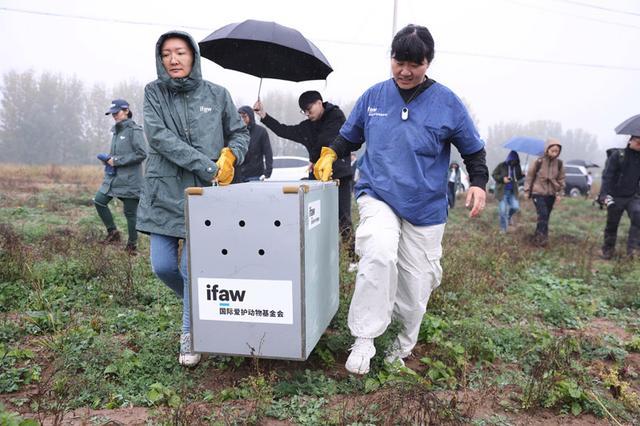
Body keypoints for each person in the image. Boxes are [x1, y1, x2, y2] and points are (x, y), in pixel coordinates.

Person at [313, 24, 488, 375]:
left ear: (428, 62)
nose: (405, 71)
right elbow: (349, 138)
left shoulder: (448, 103)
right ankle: (364, 337)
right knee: (377, 251)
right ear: (391, 59)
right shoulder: (374, 97)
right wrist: (330, 154)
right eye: (399, 61)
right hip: (378, 193)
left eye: (415, 63)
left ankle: (401, 343)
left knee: (416, 281)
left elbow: (474, 151)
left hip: (426, 206)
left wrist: (479, 183)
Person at [137, 31, 249, 366]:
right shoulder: (153, 93)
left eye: (181, 53)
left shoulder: (217, 94)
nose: (173, 59)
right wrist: (206, 164)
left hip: (205, 196)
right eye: (167, 54)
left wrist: (231, 156)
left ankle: (191, 334)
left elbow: (239, 132)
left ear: (193, 56)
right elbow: (158, 137)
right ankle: (200, 306)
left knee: (192, 268)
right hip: (164, 191)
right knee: (164, 266)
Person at [253, 91, 355, 256]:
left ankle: (351, 257)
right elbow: (283, 131)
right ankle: (320, 255)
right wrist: (263, 115)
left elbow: (327, 139)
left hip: (339, 176)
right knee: (316, 219)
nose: (308, 114)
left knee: (343, 218)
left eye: (309, 109)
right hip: (317, 180)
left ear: (319, 102)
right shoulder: (307, 126)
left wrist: (314, 158)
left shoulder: (335, 115)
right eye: (304, 111)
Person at [93, 99, 147, 254]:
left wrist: (116, 161)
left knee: (130, 214)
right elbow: (119, 154)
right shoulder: (116, 131)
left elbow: (142, 154)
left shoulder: (135, 131)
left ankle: (132, 246)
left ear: (126, 110)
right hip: (113, 178)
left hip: (130, 180)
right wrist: (108, 159)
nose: (114, 116)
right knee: (99, 201)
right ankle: (113, 233)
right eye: (112, 114)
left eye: (116, 113)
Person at [597, 135, 640, 259]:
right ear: (630, 141)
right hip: (615, 195)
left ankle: (633, 252)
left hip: (633, 196)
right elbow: (607, 176)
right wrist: (603, 194)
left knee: (638, 217)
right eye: (638, 142)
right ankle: (608, 250)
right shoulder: (618, 155)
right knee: (612, 224)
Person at [524, 138, 565, 246]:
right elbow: (530, 176)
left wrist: (559, 193)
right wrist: (527, 191)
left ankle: (538, 237)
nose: (555, 153)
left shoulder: (559, 164)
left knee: (545, 217)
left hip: (551, 194)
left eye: (557, 151)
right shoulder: (539, 161)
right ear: (547, 150)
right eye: (553, 150)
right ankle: (542, 239)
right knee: (543, 214)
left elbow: (561, 179)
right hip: (538, 192)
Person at [237, 106, 273, 181]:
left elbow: (268, 153)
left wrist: (268, 172)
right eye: (239, 117)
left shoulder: (261, 132)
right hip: (238, 176)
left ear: (250, 116)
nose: (242, 120)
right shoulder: (235, 132)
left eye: (244, 117)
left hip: (255, 175)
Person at [492, 150, 523, 233]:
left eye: (515, 160)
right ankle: (503, 229)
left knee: (515, 207)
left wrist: (523, 175)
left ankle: (509, 217)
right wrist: (503, 179)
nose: (513, 162)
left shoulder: (517, 167)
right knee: (502, 211)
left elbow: (519, 178)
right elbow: (494, 174)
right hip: (502, 192)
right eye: (512, 160)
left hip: (513, 192)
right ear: (509, 159)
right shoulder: (501, 165)